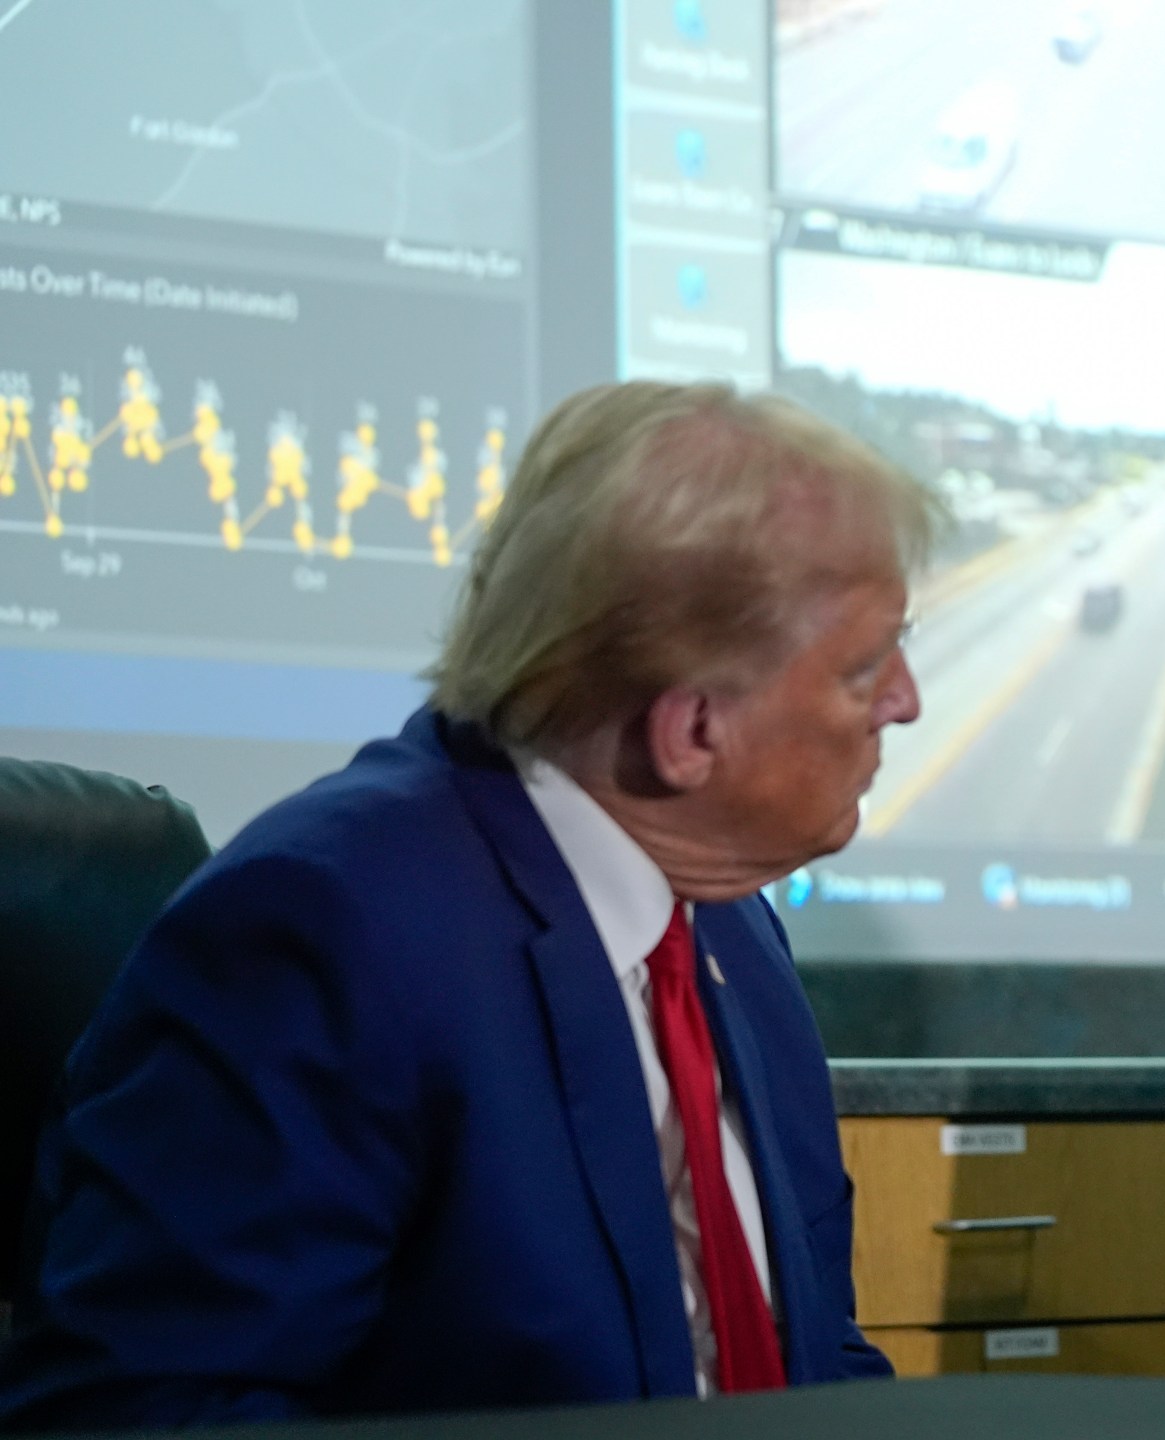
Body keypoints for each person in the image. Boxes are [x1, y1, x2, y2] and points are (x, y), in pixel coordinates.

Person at [0, 381, 937, 1425]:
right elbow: (145, 1413)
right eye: (864, 667)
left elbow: (813, 1353)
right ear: (691, 733)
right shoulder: (326, 930)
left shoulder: (728, 919)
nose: (906, 699)